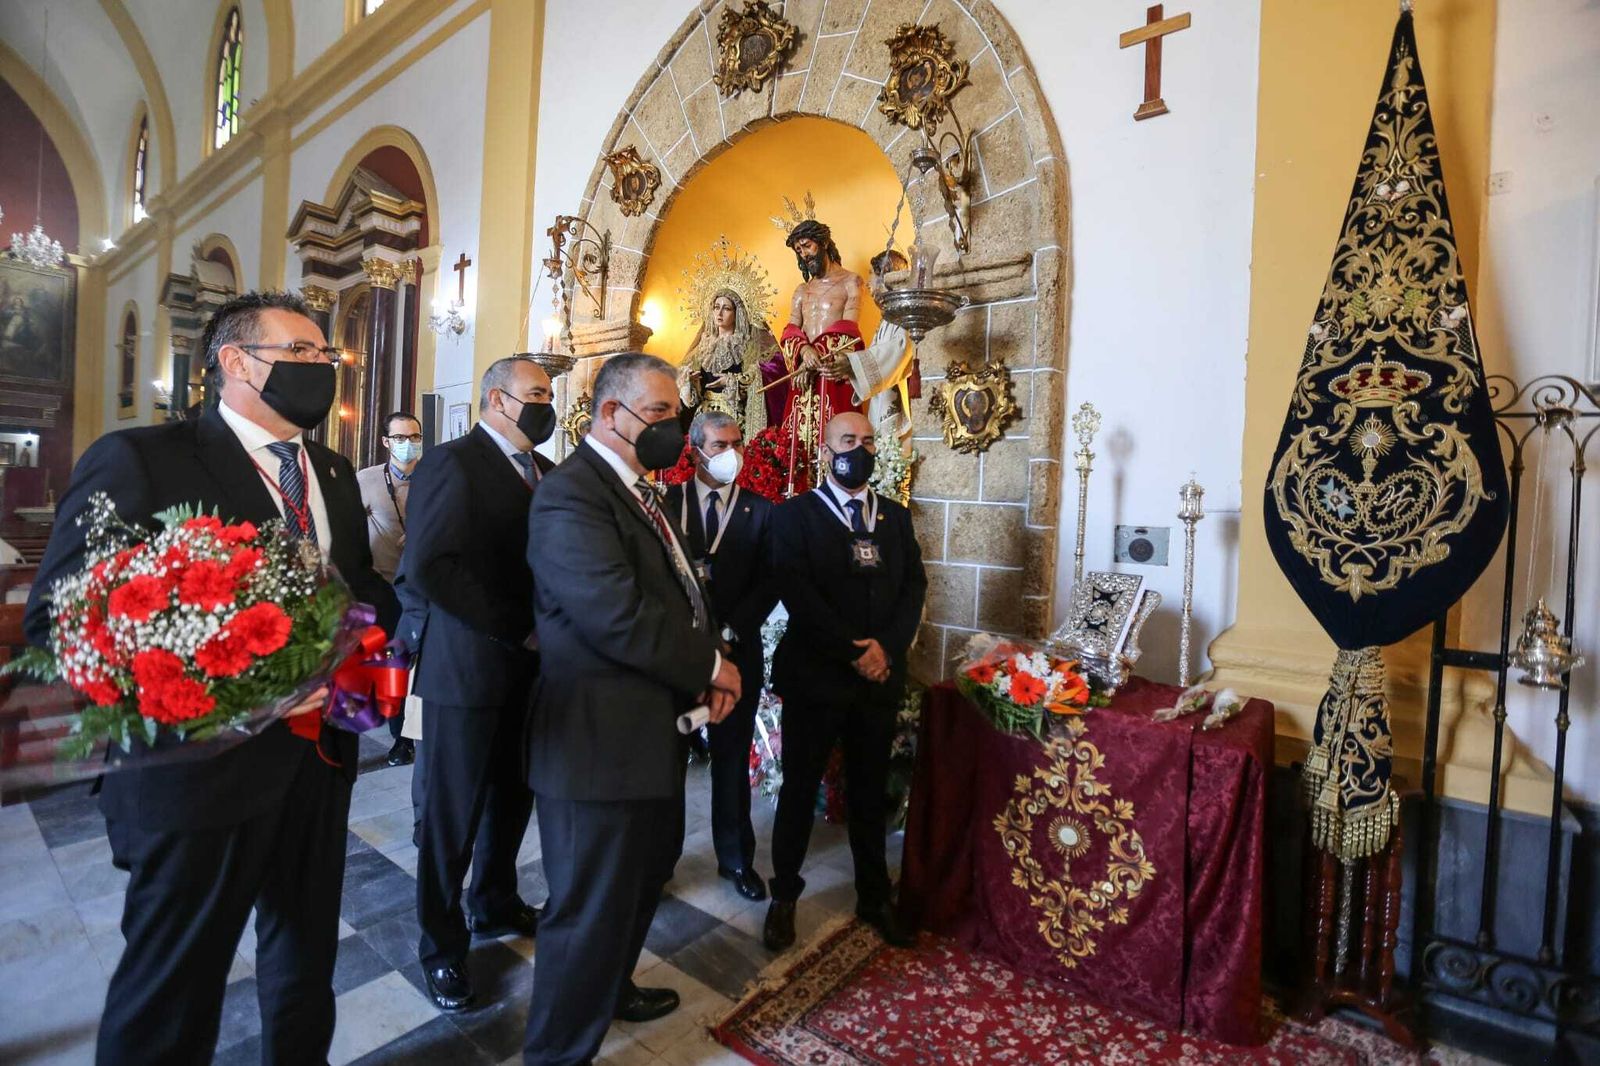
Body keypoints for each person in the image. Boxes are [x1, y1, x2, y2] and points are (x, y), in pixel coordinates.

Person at [24, 290, 400, 1066]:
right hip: (194, 777)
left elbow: (362, 585)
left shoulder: (331, 471)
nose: (322, 365)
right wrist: (235, 681)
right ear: (237, 362)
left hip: (317, 762)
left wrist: (359, 639)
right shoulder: (144, 459)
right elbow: (61, 621)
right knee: (173, 991)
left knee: (304, 963)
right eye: (301, 352)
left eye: (325, 353)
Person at [523, 352, 742, 1065]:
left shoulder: (643, 491)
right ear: (611, 413)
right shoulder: (572, 495)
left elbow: (681, 592)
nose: (673, 427)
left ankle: (612, 987)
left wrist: (704, 659)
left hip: (651, 732)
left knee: (641, 880)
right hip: (597, 742)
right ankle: (557, 1052)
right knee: (587, 907)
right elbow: (614, 615)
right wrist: (712, 666)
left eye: (676, 413)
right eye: (659, 413)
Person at [405, 355, 553, 1011]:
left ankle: (494, 900)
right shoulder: (452, 463)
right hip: (468, 668)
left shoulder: (544, 471)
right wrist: (518, 628)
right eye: (536, 393)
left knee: (513, 795)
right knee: (452, 816)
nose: (547, 404)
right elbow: (433, 566)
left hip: (532, 670)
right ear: (497, 400)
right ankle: (441, 946)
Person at [763, 411, 927, 953]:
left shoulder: (894, 517)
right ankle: (784, 895)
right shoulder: (795, 515)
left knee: (868, 790)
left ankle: (874, 897)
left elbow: (914, 587)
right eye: (848, 440)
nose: (859, 450)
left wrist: (887, 649)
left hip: (877, 681)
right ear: (826, 451)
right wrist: (855, 651)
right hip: (817, 678)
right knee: (799, 788)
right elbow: (797, 592)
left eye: (868, 441)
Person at [664, 410, 778, 901]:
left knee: (731, 761)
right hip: (677, 655)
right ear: (695, 451)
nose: (732, 453)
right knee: (669, 762)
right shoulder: (667, 503)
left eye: (737, 443)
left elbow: (770, 579)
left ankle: (735, 859)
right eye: (719, 445)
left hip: (737, 653)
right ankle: (661, 860)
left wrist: (730, 632)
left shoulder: (761, 510)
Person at [760, 208, 866, 487]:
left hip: (831, 371)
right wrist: (803, 353)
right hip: (804, 376)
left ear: (824, 242)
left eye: (807, 246)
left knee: (836, 435)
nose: (804, 254)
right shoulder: (801, 291)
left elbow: (849, 328)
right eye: (799, 250)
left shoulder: (851, 282)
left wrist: (824, 356)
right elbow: (791, 329)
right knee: (797, 443)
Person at [357, 410, 423, 766]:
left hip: (422, 588)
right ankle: (400, 738)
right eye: (400, 438)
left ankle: (412, 733)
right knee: (392, 665)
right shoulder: (366, 480)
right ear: (386, 442)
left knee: (417, 667)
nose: (408, 444)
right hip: (383, 587)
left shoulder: (434, 476)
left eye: (414, 437)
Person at [848, 250, 916, 442]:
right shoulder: (888, 317)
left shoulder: (905, 313)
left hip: (900, 408)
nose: (868, 283)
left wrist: (852, 365)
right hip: (879, 406)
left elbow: (899, 351)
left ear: (887, 276)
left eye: (872, 274)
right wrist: (852, 370)